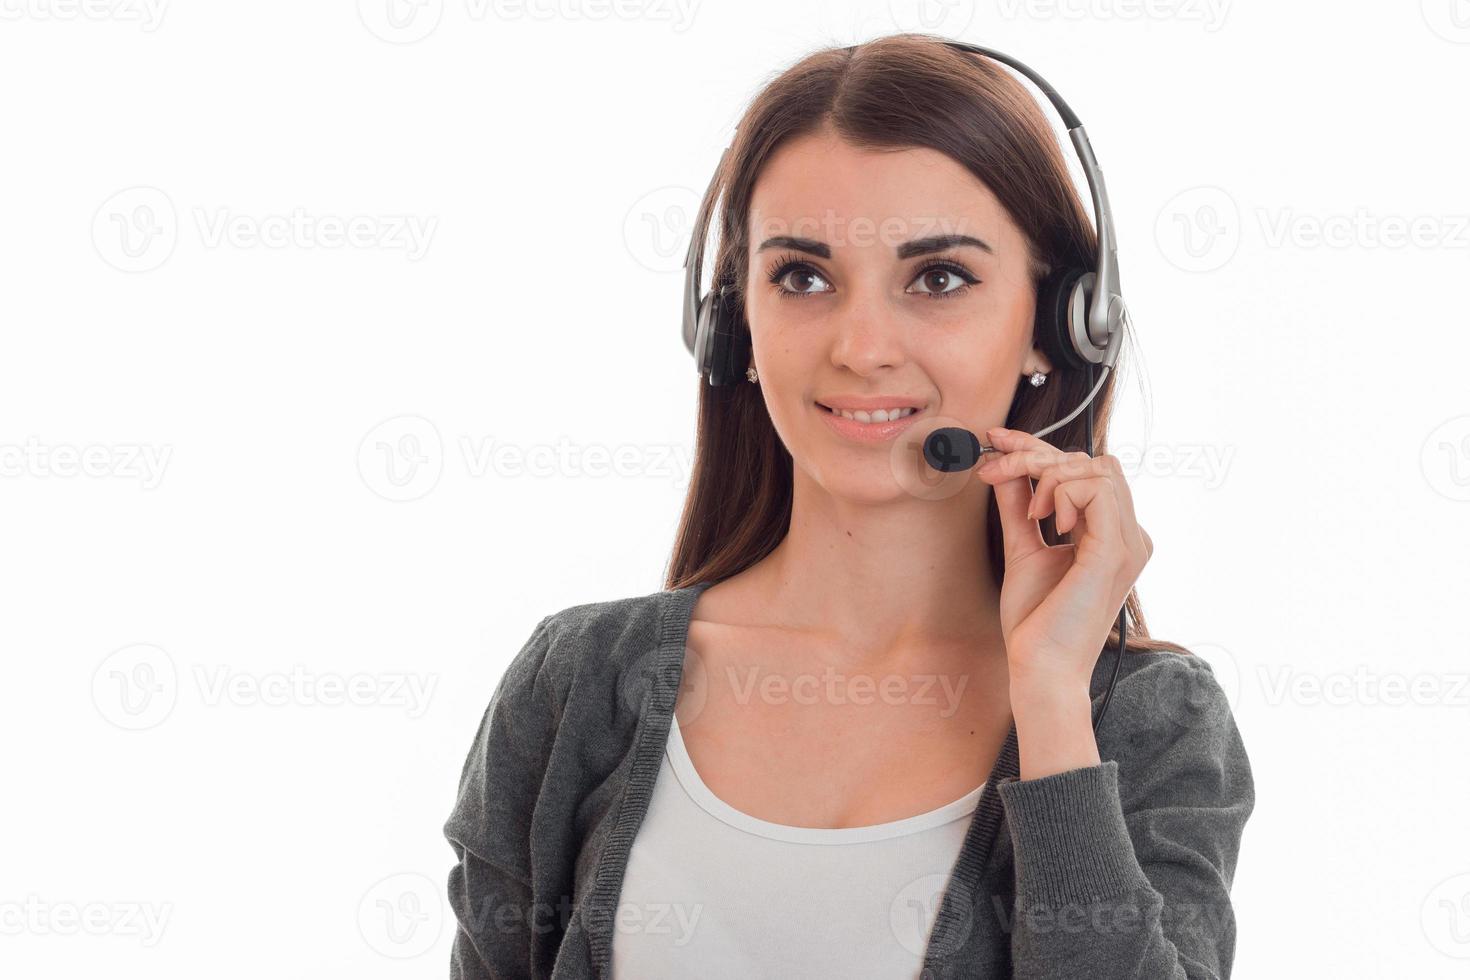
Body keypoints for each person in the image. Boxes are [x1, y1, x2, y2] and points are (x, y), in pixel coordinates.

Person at [444, 32, 1253, 979]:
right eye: (803, 277)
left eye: (940, 277)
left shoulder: (1147, 720)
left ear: (1061, 323)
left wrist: (1050, 702)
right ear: (729, 327)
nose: (863, 347)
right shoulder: (577, 684)